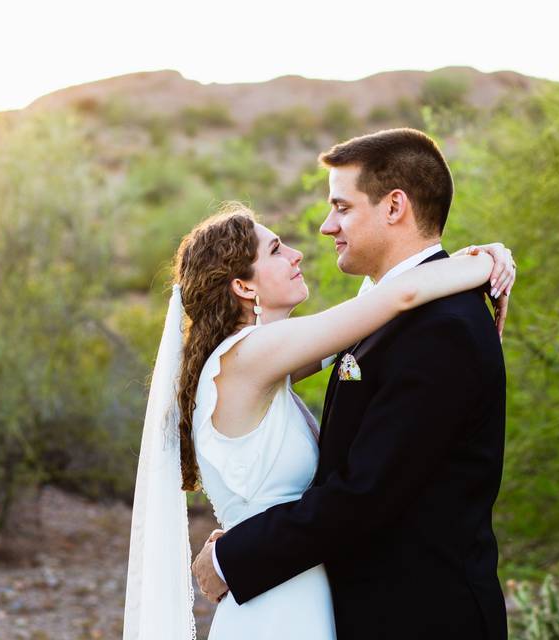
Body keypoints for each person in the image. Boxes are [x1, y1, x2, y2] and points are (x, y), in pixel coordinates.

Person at [125, 128, 514, 640]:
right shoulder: (257, 356)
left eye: (342, 207)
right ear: (242, 285)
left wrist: (231, 556)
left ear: (395, 206)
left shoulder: (440, 327)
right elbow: (394, 297)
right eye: (277, 249)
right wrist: (484, 261)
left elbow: (365, 492)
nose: (323, 231)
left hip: (418, 615)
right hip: (294, 603)